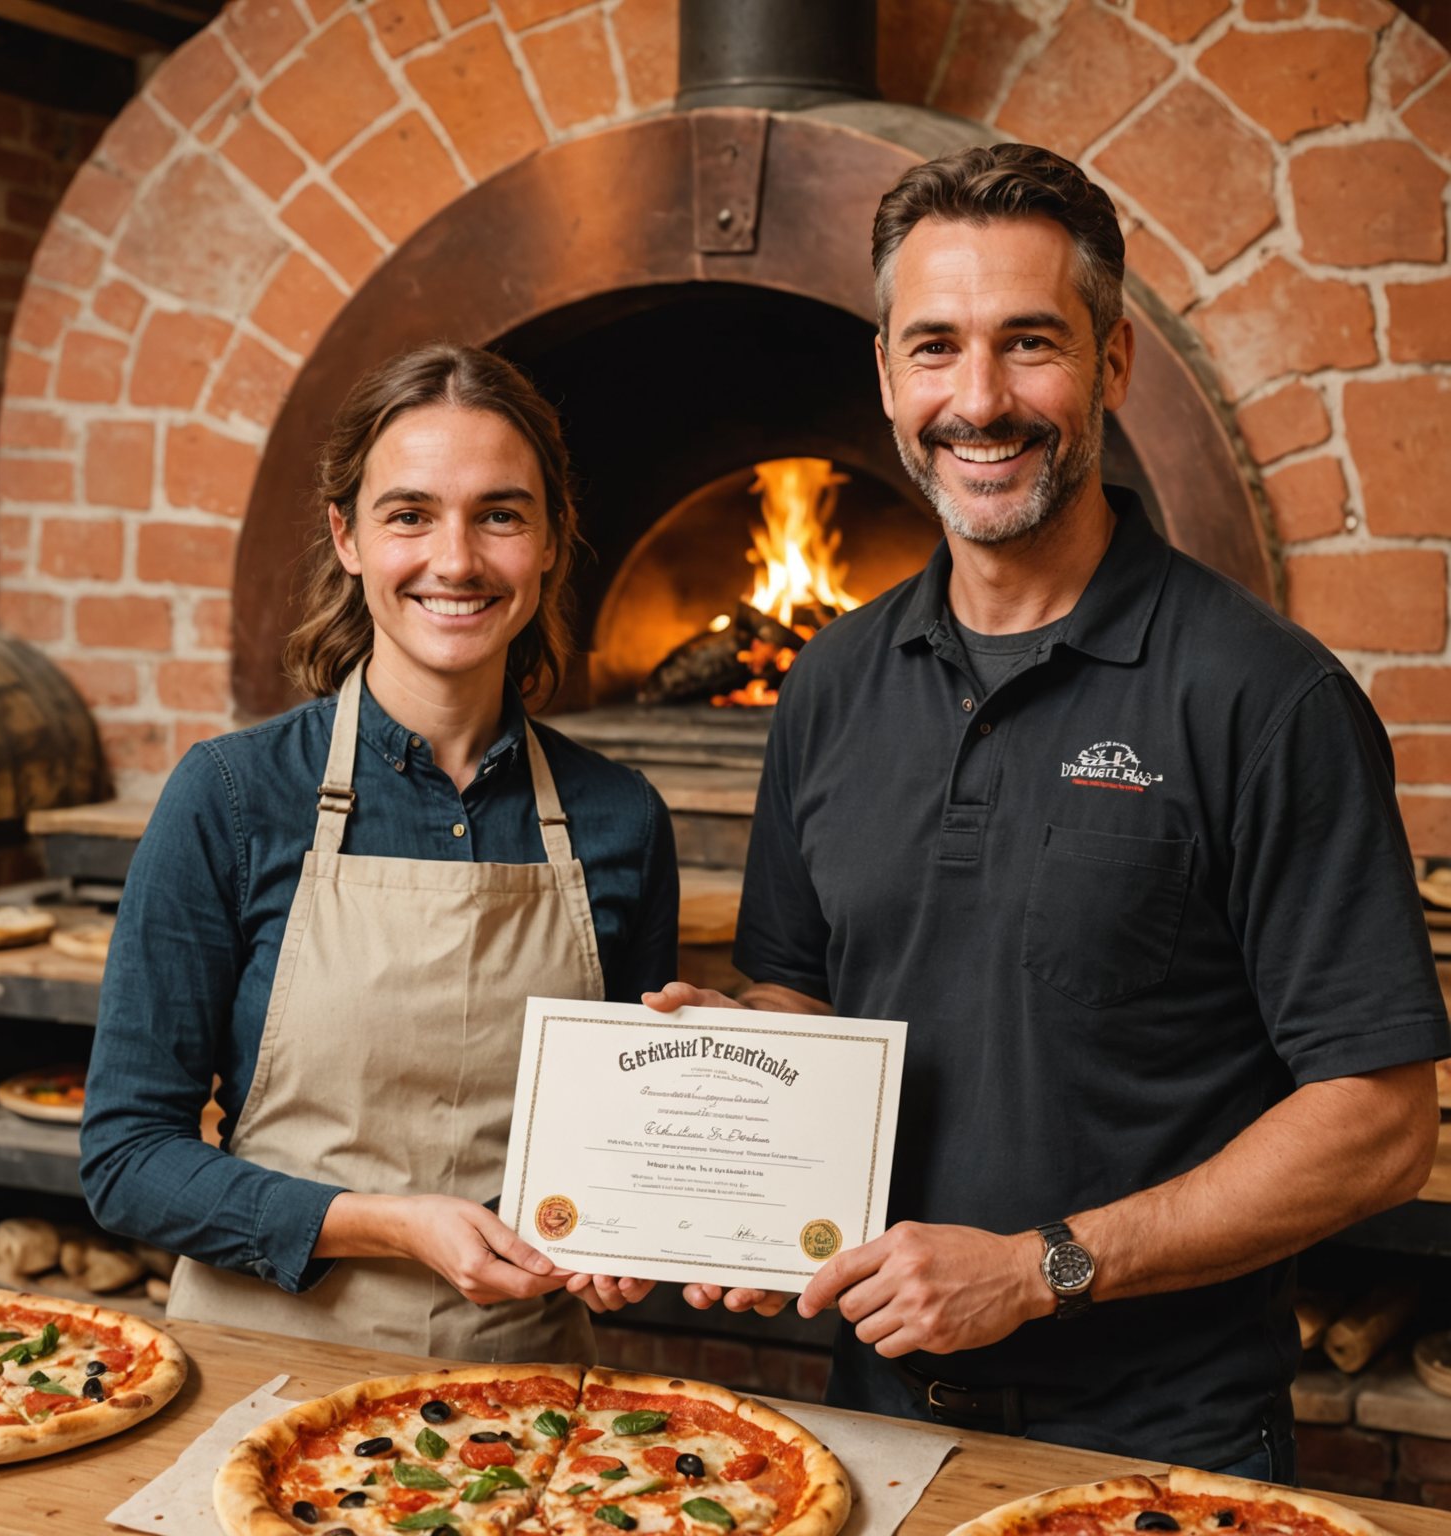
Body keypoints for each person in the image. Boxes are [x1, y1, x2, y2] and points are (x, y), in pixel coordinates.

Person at [646, 145, 1447, 1475]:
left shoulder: (1263, 694)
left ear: (1112, 365)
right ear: (890, 381)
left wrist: (1042, 1268)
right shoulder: (833, 681)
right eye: (936, 348)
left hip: (1159, 1446)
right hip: (870, 1420)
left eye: (1030, 345)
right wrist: (738, 1083)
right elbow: (805, 996)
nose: (980, 400)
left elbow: (1376, 1121)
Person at [82, 343, 676, 1360]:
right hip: (262, 1369)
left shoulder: (621, 816)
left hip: (525, 1395)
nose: (456, 561)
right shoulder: (230, 796)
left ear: (549, 541)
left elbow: (629, 1148)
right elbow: (127, 1159)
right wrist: (390, 1223)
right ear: (346, 536)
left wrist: (633, 1230)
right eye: (410, 514)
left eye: (500, 513)